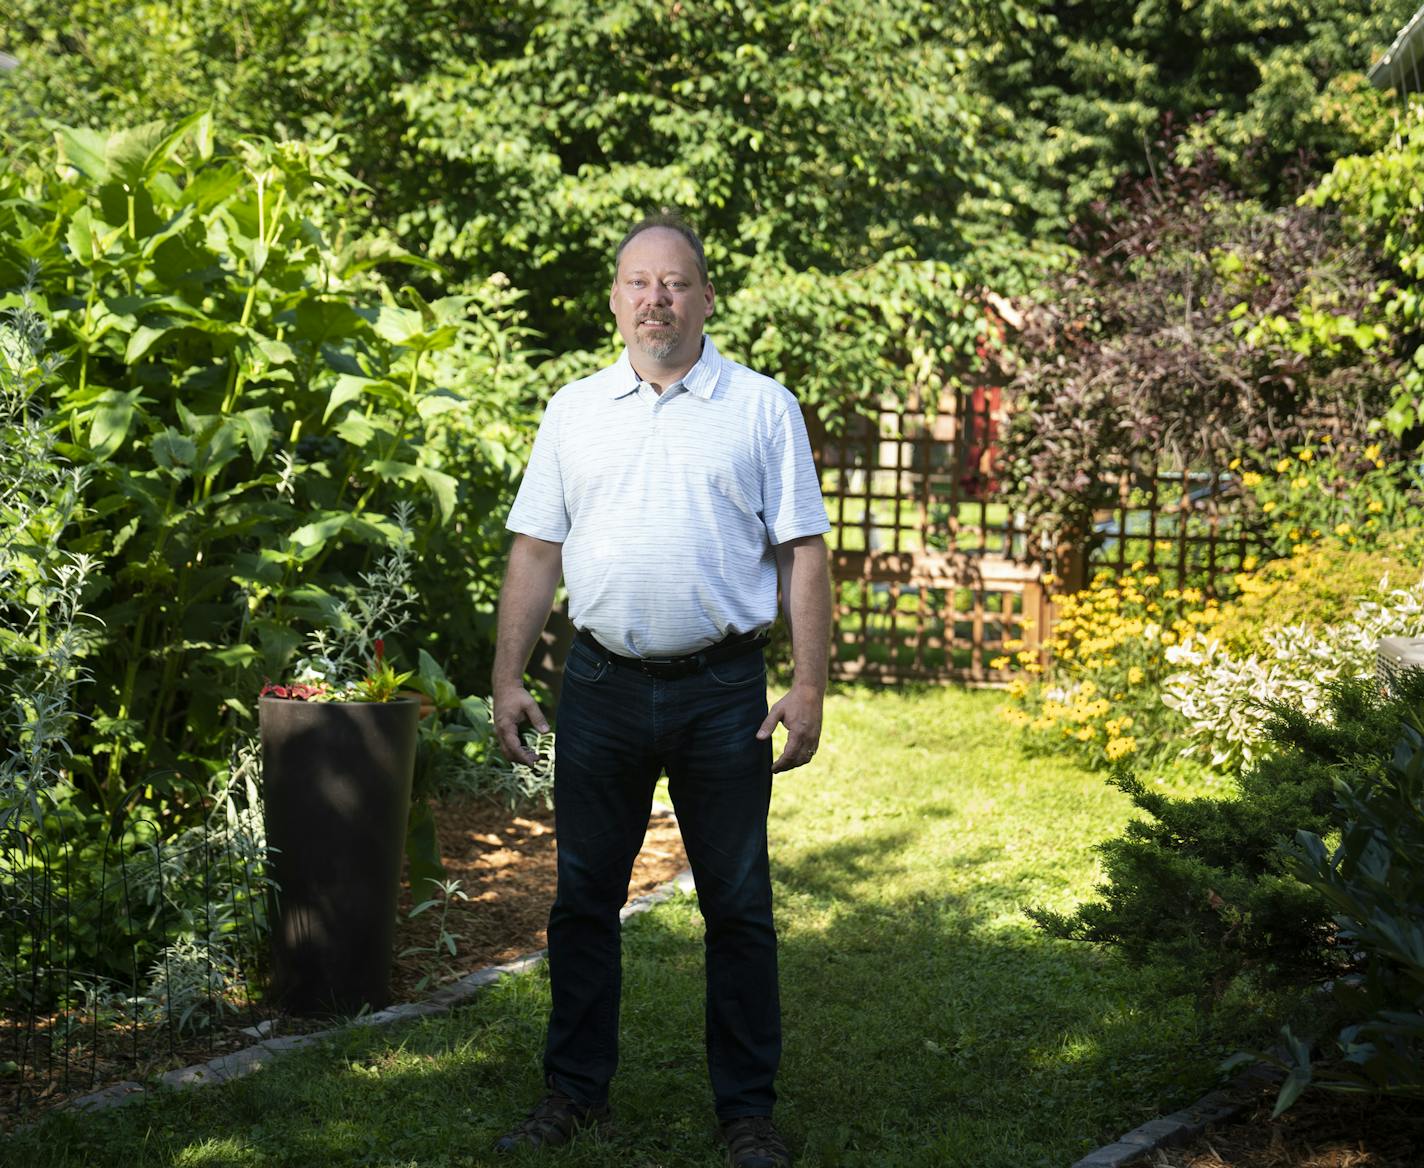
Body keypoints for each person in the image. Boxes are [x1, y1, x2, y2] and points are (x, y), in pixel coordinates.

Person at [490, 212, 831, 1168]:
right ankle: (573, 1094)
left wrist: (808, 686)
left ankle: (747, 1113)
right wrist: (507, 673)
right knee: (584, 899)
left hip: (723, 689)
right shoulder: (572, 410)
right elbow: (537, 548)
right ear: (614, 299)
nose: (657, 300)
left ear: (706, 297)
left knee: (739, 904)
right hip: (598, 685)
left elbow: (804, 551)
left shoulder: (762, 408)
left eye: (675, 283)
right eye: (639, 283)